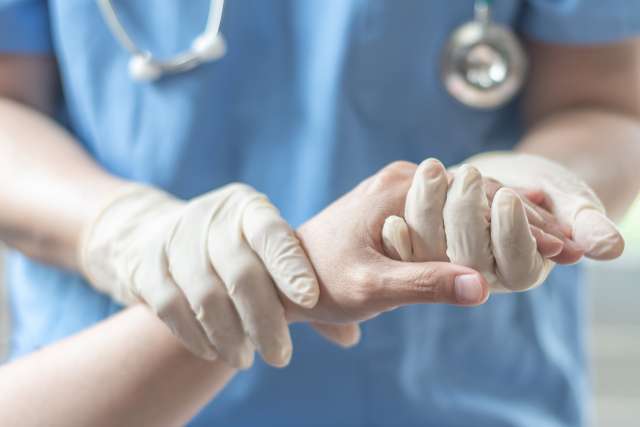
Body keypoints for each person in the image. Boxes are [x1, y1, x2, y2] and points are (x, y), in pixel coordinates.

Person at [1, 0, 639, 425]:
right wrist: (122, 228)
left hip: (469, 392)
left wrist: (537, 190)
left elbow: (604, 98)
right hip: (107, 381)